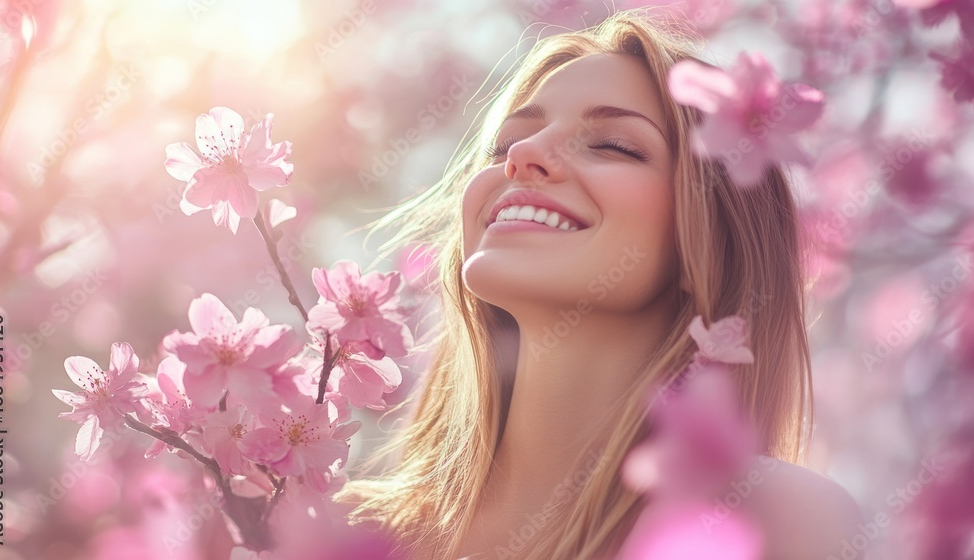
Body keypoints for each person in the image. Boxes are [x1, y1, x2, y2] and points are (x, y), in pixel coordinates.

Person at [336, 9, 862, 560]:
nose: (522, 156)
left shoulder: (777, 517)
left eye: (614, 145)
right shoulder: (343, 531)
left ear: (704, 244)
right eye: (504, 145)